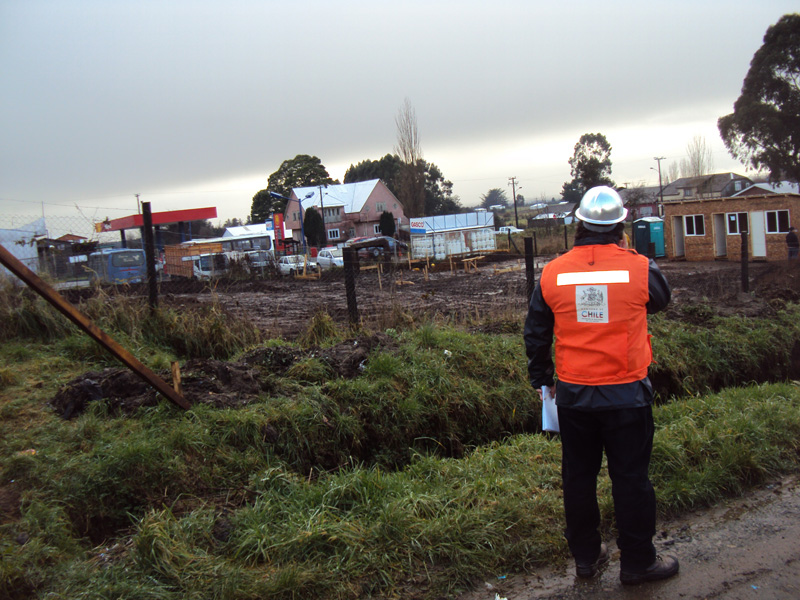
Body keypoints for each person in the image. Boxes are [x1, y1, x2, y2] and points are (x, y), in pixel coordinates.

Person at [523, 186, 677, 585]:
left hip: (574, 396)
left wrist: (542, 380)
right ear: (620, 226)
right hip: (628, 394)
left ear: (579, 225)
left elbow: (536, 331)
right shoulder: (640, 267)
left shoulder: (553, 272)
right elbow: (661, 299)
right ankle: (638, 563)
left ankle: (587, 559)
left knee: (578, 478)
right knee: (631, 479)